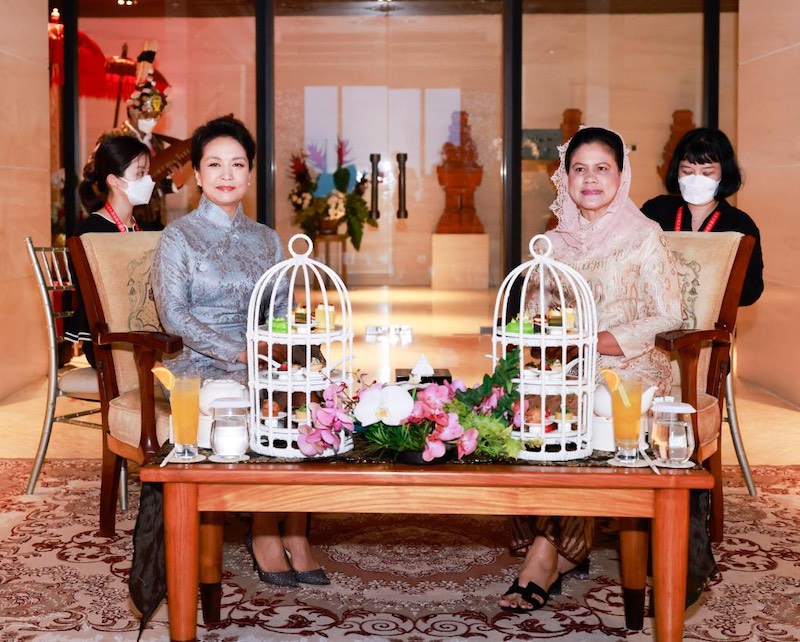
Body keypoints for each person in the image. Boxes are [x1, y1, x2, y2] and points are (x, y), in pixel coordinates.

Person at [498, 127, 683, 613]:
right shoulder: (551, 244)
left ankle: (547, 553)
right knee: (524, 405)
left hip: (629, 364)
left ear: (621, 176)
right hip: (566, 362)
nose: (590, 178)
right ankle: (560, 545)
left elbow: (670, 315)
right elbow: (535, 313)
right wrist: (545, 346)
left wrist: (598, 341)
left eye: (603, 168)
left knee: (581, 410)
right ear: (564, 177)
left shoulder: (643, 236)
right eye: (579, 168)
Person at [151, 116, 329, 587]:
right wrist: (241, 353)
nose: (226, 174)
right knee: (262, 405)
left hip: (261, 355)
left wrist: (281, 348)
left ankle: (297, 529)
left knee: (312, 401)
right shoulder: (179, 237)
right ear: (197, 173)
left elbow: (281, 308)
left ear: (250, 174)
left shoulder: (267, 238)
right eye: (214, 164)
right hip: (198, 361)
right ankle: (266, 529)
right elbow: (174, 316)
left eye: (237, 164)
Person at [641, 127, 764, 306]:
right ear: (677, 171)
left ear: (724, 173)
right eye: (687, 171)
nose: (696, 179)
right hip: (655, 321)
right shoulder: (656, 210)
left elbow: (751, 290)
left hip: (709, 327)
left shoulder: (740, 225)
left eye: (707, 173)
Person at [65, 135, 154, 368]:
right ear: (115, 180)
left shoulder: (144, 227)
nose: (149, 180)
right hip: (107, 340)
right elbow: (92, 296)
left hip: (143, 331)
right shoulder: (90, 232)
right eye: (140, 174)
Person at [82, 48, 185, 231]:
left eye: (155, 117)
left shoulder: (157, 143)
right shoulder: (113, 137)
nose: (152, 121)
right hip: (115, 216)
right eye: (147, 116)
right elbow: (92, 176)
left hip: (150, 218)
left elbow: (155, 185)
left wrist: (173, 182)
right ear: (132, 110)